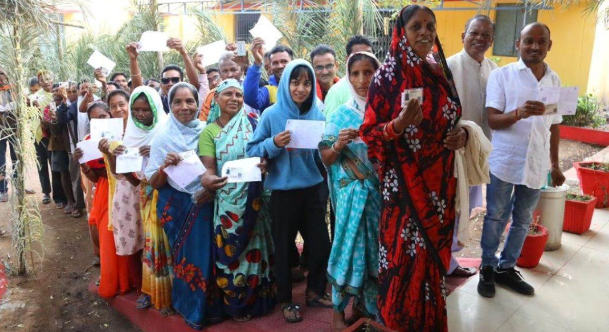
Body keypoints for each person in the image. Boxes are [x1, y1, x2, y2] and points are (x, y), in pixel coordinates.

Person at [360, 5, 467, 331]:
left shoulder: (439, 71)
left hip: (440, 186)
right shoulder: (387, 77)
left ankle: (429, 322)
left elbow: (454, 116)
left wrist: (462, 134)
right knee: (405, 258)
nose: (425, 32)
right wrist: (397, 124)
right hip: (404, 189)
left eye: (430, 27)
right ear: (400, 33)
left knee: (431, 260)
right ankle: (398, 323)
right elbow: (370, 134)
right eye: (416, 26)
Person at [478, 23, 566, 299]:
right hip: (505, 162)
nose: (535, 47)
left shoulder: (555, 81)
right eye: (529, 41)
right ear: (518, 44)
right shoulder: (502, 76)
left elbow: (554, 126)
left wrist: (555, 164)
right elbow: (492, 120)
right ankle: (488, 267)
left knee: (523, 219)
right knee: (495, 216)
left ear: (549, 45)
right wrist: (518, 113)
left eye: (541, 42)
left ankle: (507, 267)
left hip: (536, 164)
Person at [246, 60, 332, 323]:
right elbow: (252, 149)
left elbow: (325, 152)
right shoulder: (272, 115)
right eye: (295, 82)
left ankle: (315, 291)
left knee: (320, 245)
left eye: (307, 82)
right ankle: (286, 300)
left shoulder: (318, 113)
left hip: (312, 190)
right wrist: (273, 143)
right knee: (283, 250)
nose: (301, 88)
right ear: (286, 83)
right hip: (282, 193)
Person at [145, 82, 222, 329]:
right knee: (185, 259)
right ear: (170, 105)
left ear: (197, 103)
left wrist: (208, 188)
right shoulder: (163, 137)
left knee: (206, 254)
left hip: (206, 200)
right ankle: (190, 307)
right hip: (176, 205)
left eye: (190, 101)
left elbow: (218, 166)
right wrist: (164, 166)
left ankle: (210, 308)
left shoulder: (207, 131)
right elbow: (155, 183)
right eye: (177, 102)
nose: (184, 107)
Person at [199, 79, 275, 321]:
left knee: (256, 250)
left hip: (254, 200)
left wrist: (266, 164)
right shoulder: (209, 132)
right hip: (228, 204)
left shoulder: (253, 124)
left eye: (239, 94)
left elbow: (266, 156)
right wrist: (208, 180)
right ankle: (236, 304)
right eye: (228, 94)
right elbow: (208, 169)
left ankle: (259, 301)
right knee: (230, 253)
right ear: (216, 99)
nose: (234, 98)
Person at [319, 52, 381, 331]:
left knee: (374, 250)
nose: (362, 79)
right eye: (355, 74)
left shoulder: (386, 111)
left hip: (378, 195)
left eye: (368, 72)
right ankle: (337, 312)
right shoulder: (340, 113)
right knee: (348, 249)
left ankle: (366, 306)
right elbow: (326, 158)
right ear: (347, 76)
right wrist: (339, 144)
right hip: (349, 196)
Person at [109, 86, 171, 314]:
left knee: (167, 245)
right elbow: (129, 178)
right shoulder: (130, 134)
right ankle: (148, 291)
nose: (140, 114)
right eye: (136, 109)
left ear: (155, 108)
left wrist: (156, 151)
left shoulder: (166, 129)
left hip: (167, 195)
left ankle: (171, 292)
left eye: (146, 109)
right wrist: (113, 155)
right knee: (146, 245)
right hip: (141, 194)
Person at [445, 14, 497, 278]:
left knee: (465, 209)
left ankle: (450, 261)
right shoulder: (448, 66)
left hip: (478, 153)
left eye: (485, 35)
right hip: (452, 153)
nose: (479, 39)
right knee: (451, 209)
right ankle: (444, 263)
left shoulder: (492, 69)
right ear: (463, 35)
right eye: (474, 33)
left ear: (492, 40)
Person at [73, 101, 141, 298]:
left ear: (111, 116)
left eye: (103, 117)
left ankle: (133, 279)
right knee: (108, 237)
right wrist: (84, 163)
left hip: (129, 188)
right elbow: (96, 178)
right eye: (95, 119)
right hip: (105, 191)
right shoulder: (89, 141)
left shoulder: (129, 136)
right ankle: (117, 280)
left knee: (133, 234)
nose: (100, 122)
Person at [99, 89, 145, 259]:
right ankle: (137, 284)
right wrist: (109, 153)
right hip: (125, 191)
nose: (118, 109)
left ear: (129, 106)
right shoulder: (109, 135)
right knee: (132, 243)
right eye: (113, 106)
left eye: (121, 104)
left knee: (148, 239)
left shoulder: (144, 128)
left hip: (146, 187)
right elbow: (115, 172)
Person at [127, 38, 209, 113]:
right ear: (161, 85)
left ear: (182, 82)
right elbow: (138, 90)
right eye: (165, 80)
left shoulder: (191, 101)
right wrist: (133, 59)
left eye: (175, 80)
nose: (170, 83)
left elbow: (196, 87)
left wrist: (183, 53)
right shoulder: (157, 103)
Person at [34, 72, 66, 207]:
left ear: (53, 79)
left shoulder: (59, 94)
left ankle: (58, 196)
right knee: (41, 164)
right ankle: (46, 191)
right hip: (39, 135)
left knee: (55, 166)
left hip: (54, 136)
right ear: (39, 82)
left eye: (48, 79)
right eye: (43, 80)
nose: (46, 81)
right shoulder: (35, 97)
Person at [323, 35, 374, 118]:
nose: (364, 59)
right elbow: (330, 127)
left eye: (368, 55)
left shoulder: (384, 88)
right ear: (347, 60)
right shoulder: (337, 92)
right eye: (358, 56)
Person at [244, 41, 294, 111]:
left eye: (284, 61)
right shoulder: (268, 91)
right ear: (271, 66)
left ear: (293, 62)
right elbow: (250, 100)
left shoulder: (305, 87)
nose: (280, 66)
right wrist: (257, 64)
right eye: (275, 63)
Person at [0, 69, 17, 203]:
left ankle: (19, 186)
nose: (1, 77)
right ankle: (2, 190)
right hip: (0, 130)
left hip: (14, 127)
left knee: (16, 157)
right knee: (1, 162)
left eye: (2, 74)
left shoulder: (14, 88)